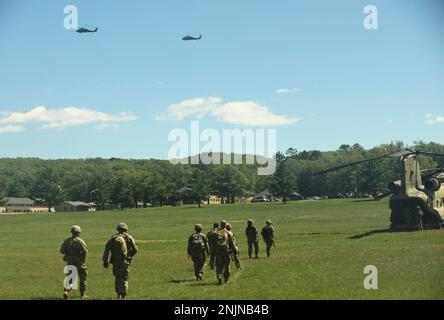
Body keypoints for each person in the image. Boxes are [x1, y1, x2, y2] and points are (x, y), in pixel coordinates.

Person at [103, 223, 138, 299]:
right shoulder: (129, 238)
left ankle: (118, 295)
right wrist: (129, 257)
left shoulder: (114, 238)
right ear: (126, 229)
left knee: (117, 277)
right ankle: (123, 295)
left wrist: (105, 261)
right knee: (124, 278)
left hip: (115, 261)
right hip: (125, 261)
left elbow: (107, 249)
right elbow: (135, 249)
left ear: (118, 229)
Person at [60, 225, 88, 300]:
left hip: (70, 261)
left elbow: (62, 250)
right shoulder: (80, 241)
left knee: (70, 278)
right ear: (79, 232)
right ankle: (82, 294)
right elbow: (85, 251)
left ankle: (66, 291)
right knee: (83, 278)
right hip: (79, 262)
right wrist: (83, 260)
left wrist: (68, 253)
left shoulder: (67, 241)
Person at [214, 220, 238, 285]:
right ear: (225, 225)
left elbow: (213, 243)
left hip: (218, 252)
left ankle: (219, 276)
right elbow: (232, 243)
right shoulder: (228, 232)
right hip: (226, 251)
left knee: (219, 266)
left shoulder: (216, 232)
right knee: (227, 266)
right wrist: (235, 251)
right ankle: (226, 279)